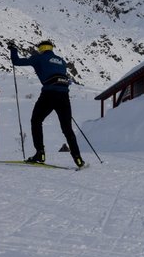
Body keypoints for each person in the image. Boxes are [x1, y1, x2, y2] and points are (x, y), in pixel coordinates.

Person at [9, 39, 86, 168]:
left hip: (49, 94)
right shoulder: (62, 61)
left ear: (41, 49)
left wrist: (13, 49)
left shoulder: (38, 58)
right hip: (64, 96)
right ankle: (78, 159)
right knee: (67, 129)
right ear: (51, 48)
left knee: (36, 121)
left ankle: (40, 154)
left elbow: (16, 61)